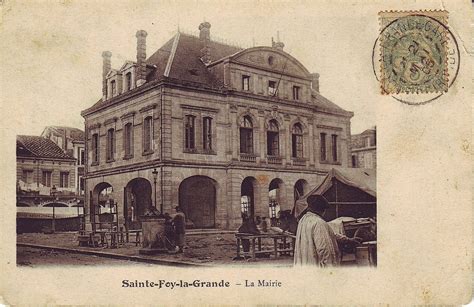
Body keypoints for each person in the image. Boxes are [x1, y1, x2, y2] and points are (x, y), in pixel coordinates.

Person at [294, 195, 359, 266]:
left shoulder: (303, 220)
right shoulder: (319, 223)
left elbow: (331, 234)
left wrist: (349, 239)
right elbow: (324, 249)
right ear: (322, 210)